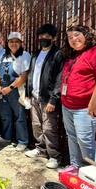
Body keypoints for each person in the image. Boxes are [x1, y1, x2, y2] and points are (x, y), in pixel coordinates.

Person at [61, 25, 96, 168]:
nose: (73, 39)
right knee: (72, 137)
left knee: (85, 140)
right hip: (67, 106)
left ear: (86, 35)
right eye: (70, 37)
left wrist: (94, 102)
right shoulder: (74, 55)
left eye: (77, 34)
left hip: (85, 108)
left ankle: (90, 173)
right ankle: (75, 167)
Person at [25, 24, 64, 169]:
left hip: (48, 99)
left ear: (53, 38)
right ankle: (40, 150)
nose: (43, 38)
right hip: (35, 96)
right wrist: (28, 93)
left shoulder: (58, 54)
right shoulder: (35, 53)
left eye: (47, 36)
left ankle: (54, 156)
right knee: (36, 125)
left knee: (49, 128)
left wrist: (54, 99)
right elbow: (31, 74)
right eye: (41, 36)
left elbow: (60, 79)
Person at [0, 32, 31, 152]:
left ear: (20, 43)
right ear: (7, 43)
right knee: (5, 116)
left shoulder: (24, 55)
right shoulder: (3, 56)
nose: (13, 44)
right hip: (3, 91)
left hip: (16, 90)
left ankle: (22, 141)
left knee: (19, 117)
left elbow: (24, 76)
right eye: (11, 41)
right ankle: (7, 138)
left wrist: (10, 88)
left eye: (16, 41)